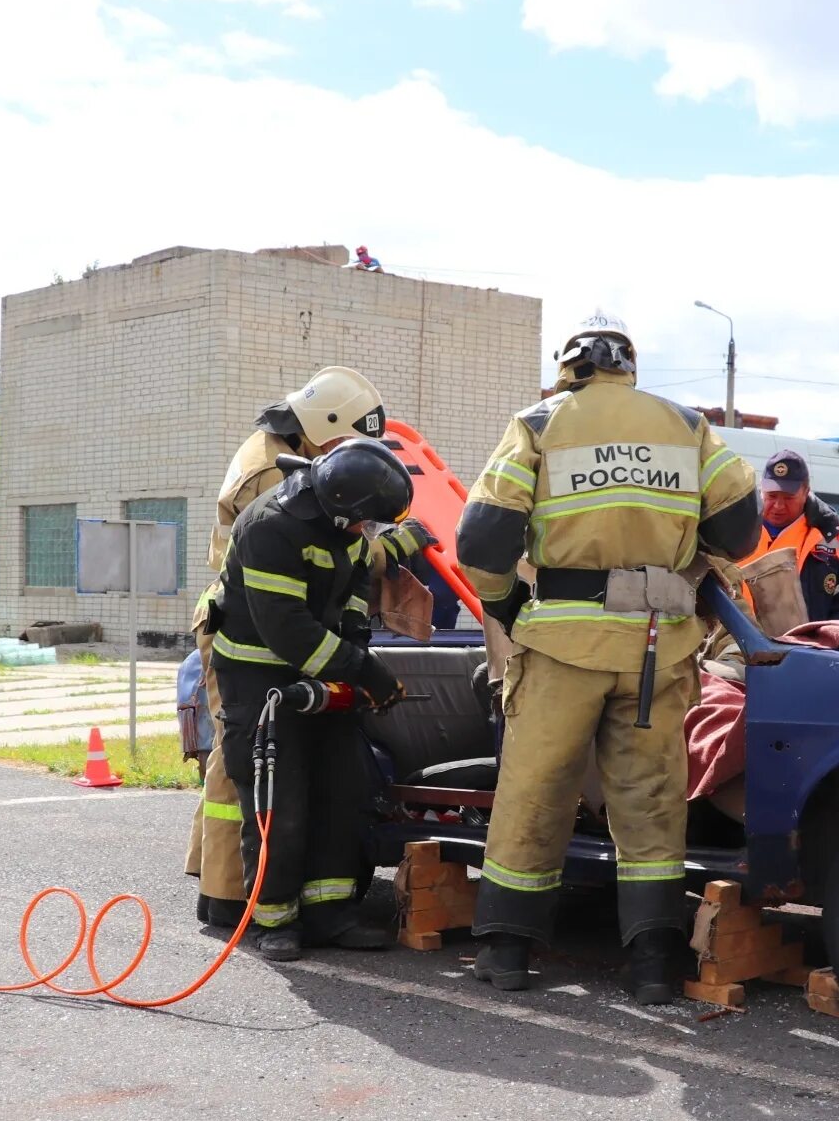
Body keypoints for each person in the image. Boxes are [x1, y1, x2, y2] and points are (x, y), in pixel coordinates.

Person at [456, 311, 760, 1004]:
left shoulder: (538, 424)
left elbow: (481, 541)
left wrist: (503, 605)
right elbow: (741, 526)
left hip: (562, 640)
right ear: (628, 365)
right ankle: (654, 962)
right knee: (650, 802)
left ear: (568, 365)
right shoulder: (687, 426)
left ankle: (507, 949)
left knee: (537, 790)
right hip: (658, 641)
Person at [187, 366, 397, 929]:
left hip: (285, 629)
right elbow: (306, 575)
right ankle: (243, 899)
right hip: (252, 635)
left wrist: (354, 642)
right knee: (252, 772)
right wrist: (394, 548)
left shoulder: (290, 450)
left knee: (283, 776)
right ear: (320, 428)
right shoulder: (269, 482)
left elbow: (342, 565)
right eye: (346, 442)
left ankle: (243, 894)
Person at [209, 439, 414, 960]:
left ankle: (331, 914)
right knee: (282, 803)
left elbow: (351, 592)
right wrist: (365, 670)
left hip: (321, 666)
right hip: (260, 677)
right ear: (341, 504)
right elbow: (289, 632)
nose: (367, 533)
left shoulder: (345, 524)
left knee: (342, 791)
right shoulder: (269, 527)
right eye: (364, 522)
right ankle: (274, 920)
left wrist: (355, 647)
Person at [734, 448, 839, 624]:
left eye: (788, 498)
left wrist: (828, 641)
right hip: (739, 645)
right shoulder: (736, 530)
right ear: (761, 490)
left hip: (810, 649)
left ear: (806, 492)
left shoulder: (836, 537)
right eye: (771, 496)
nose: (778, 505)